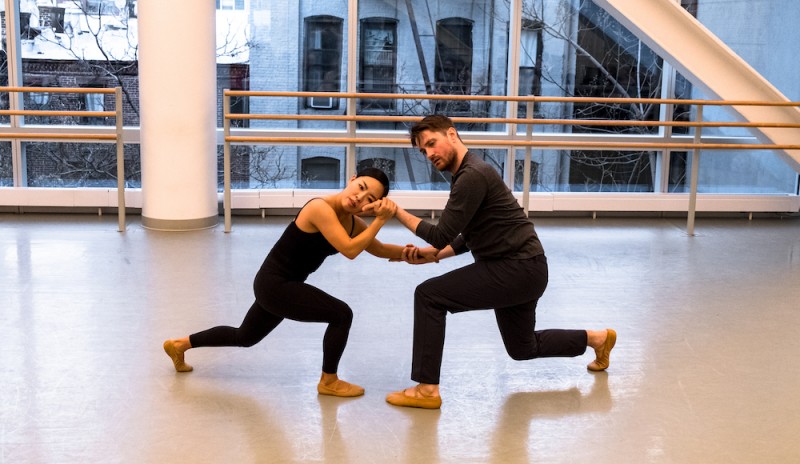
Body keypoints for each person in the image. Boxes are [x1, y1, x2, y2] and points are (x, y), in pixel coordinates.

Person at [376, 115, 616, 409]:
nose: (429, 154)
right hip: (526, 268)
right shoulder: (470, 172)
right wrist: (437, 256)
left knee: (429, 296)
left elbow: (440, 234)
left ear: (451, 134)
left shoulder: (471, 175)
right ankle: (597, 339)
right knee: (522, 348)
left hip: (516, 268)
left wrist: (396, 212)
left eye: (431, 144)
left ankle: (427, 389)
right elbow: (470, 233)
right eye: (423, 151)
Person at [163, 167, 408, 398]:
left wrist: (421, 254)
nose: (360, 197)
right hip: (276, 285)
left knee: (245, 336)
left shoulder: (354, 223)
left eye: (369, 198)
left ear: (373, 205)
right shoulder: (319, 208)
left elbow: (379, 248)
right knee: (342, 315)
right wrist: (380, 220)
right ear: (351, 179)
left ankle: (179, 345)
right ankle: (329, 381)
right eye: (361, 187)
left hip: (280, 286)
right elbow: (350, 249)